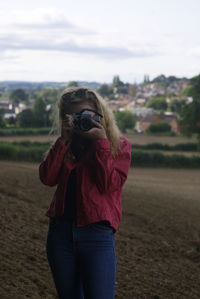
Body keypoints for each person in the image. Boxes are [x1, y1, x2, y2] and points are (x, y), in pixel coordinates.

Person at [38, 86, 131, 299]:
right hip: (60, 235)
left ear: (99, 113)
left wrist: (100, 142)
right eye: (73, 115)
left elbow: (109, 185)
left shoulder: (119, 145)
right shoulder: (66, 144)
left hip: (97, 236)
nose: (81, 120)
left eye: (85, 114)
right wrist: (64, 140)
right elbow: (47, 178)